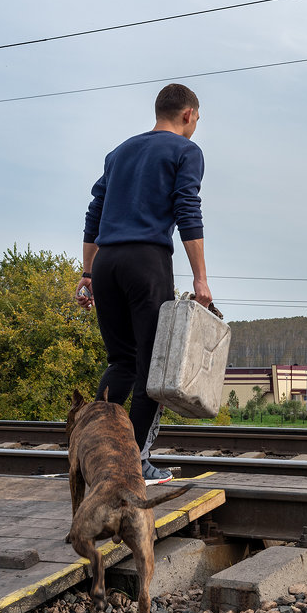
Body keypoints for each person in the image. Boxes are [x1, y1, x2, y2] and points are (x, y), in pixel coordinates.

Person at [75, 83, 212, 484]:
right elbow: (187, 210)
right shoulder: (186, 151)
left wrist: (87, 273)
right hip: (145, 262)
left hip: (107, 263)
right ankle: (132, 464)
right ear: (188, 114)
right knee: (152, 369)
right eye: (197, 120)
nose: (196, 127)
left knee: (121, 362)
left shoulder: (119, 153)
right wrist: (200, 278)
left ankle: (91, 454)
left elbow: (94, 213)